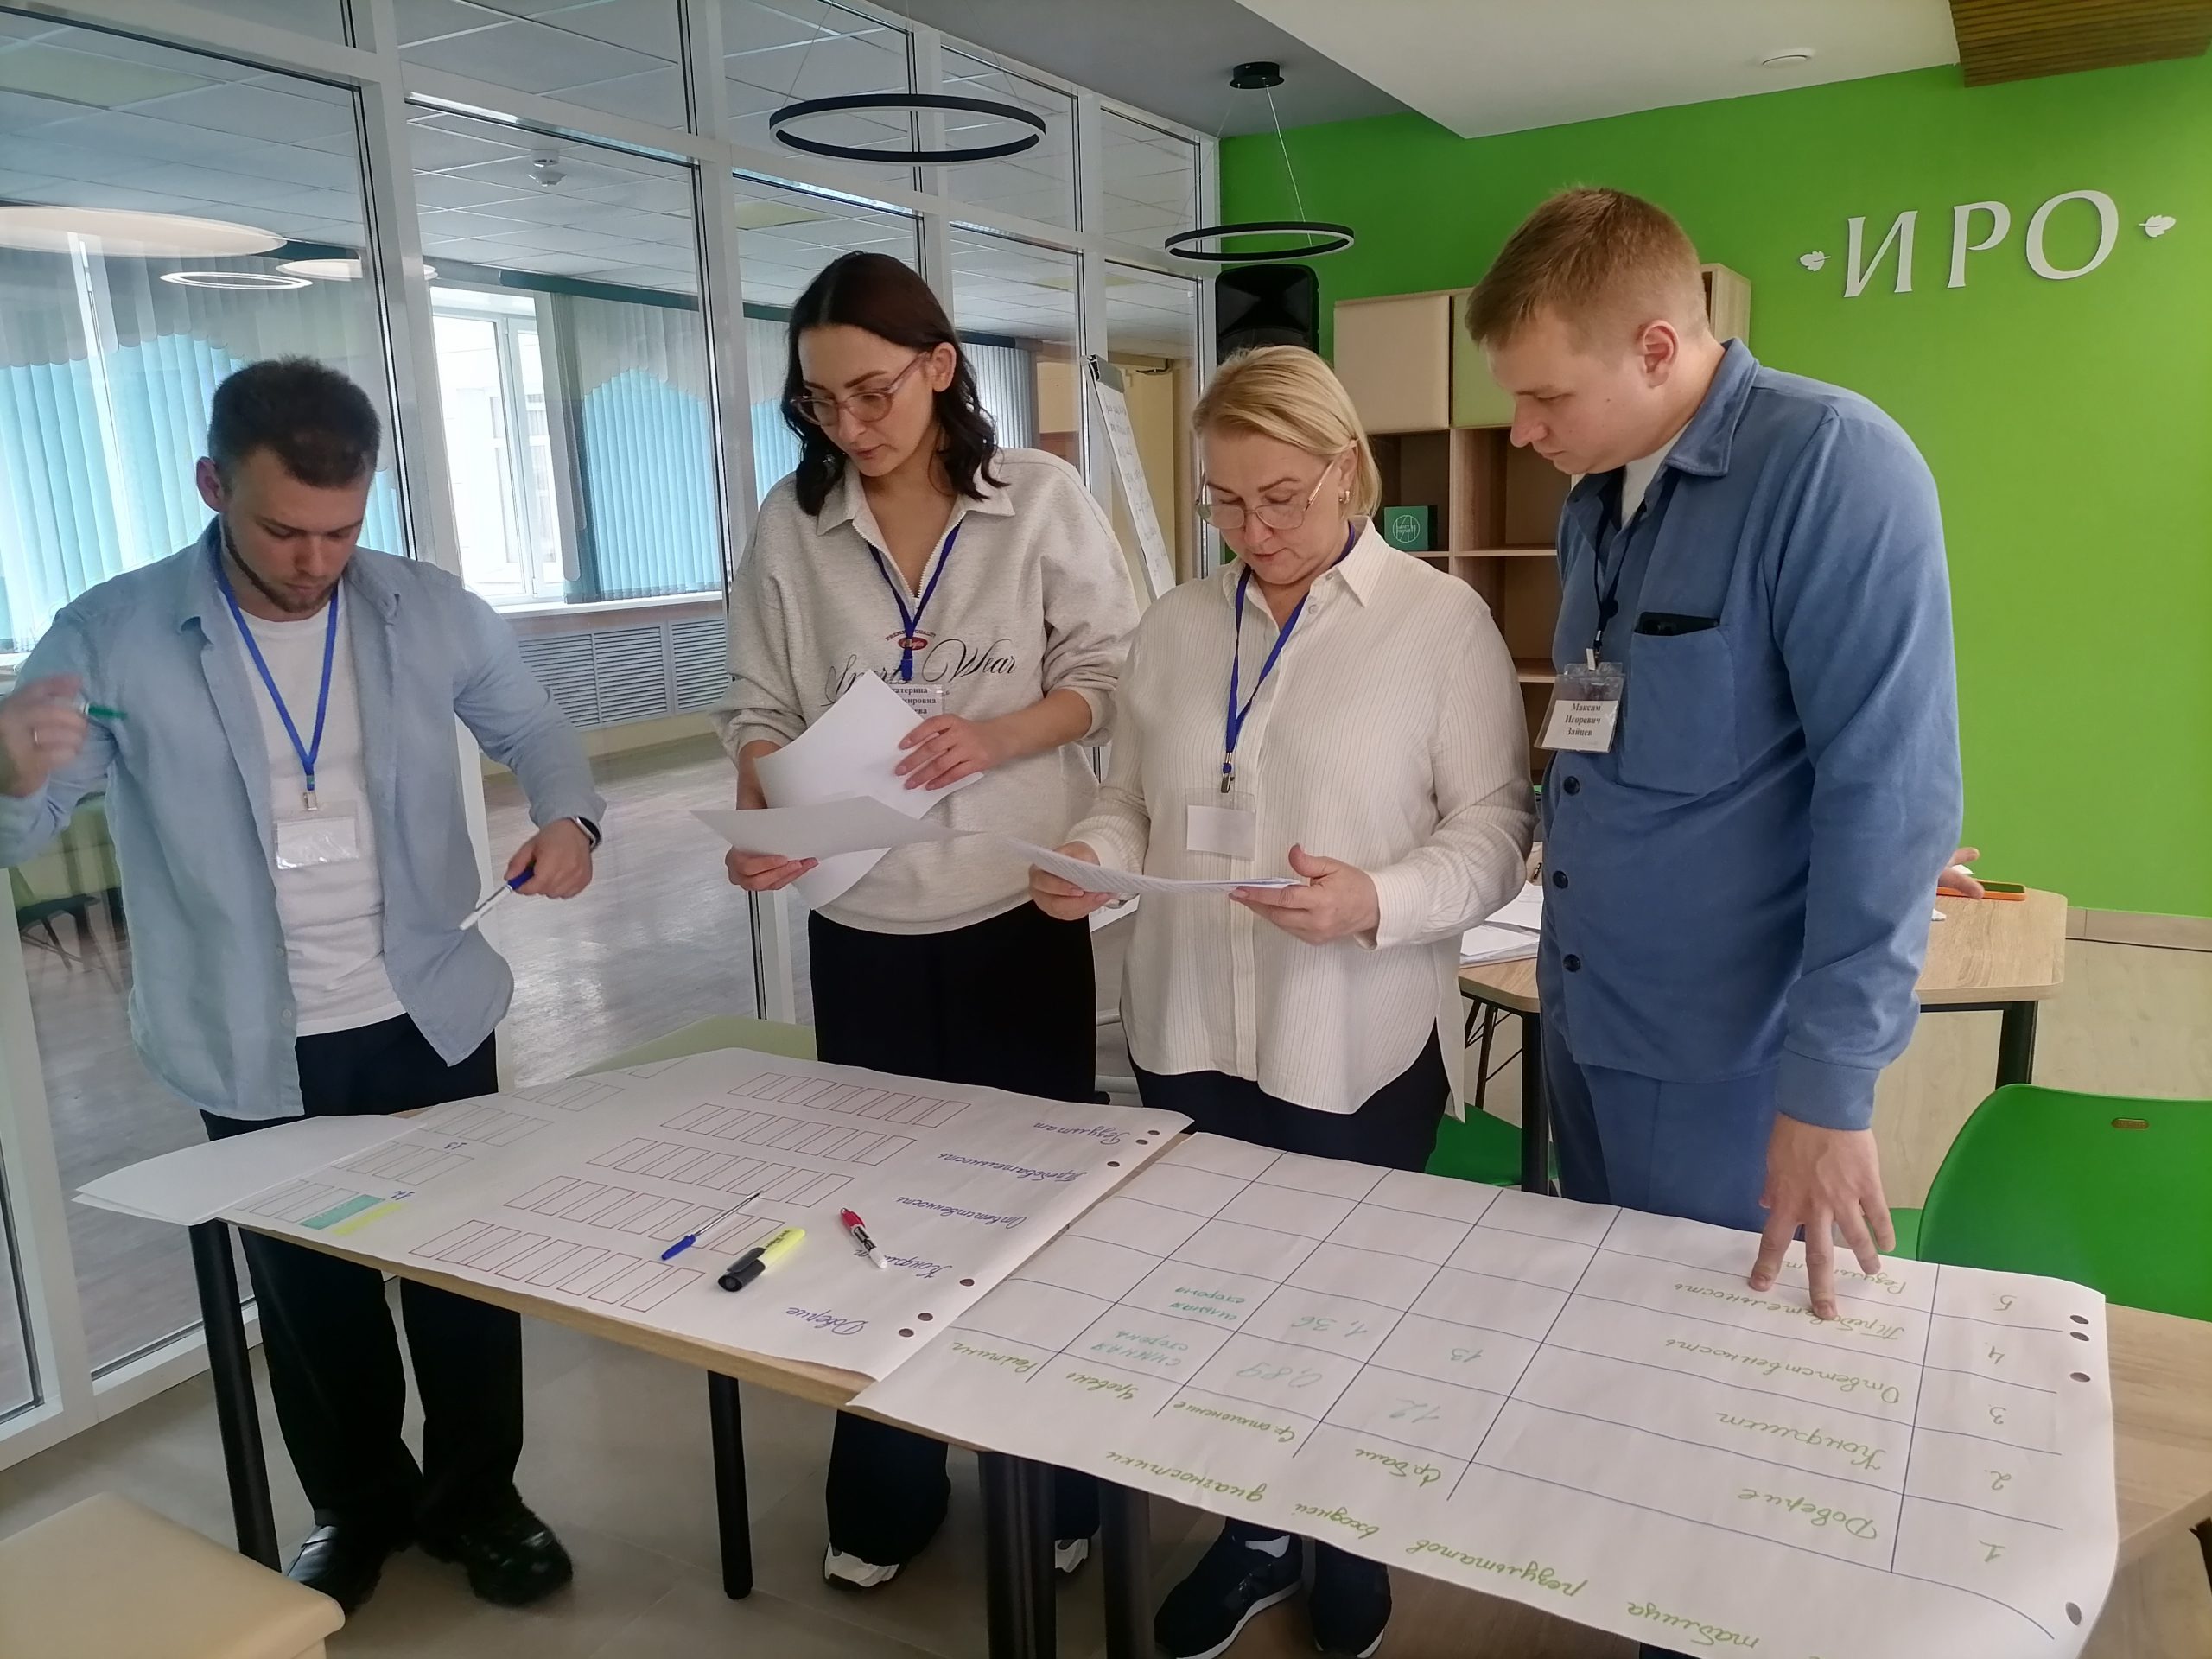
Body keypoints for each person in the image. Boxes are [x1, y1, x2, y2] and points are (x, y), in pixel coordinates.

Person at [0, 359, 603, 1614]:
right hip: (250, 1034)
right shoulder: (109, 632)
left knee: (463, 1275)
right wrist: (11, 771)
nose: (317, 560)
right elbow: (27, 823)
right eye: (284, 530)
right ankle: (359, 1509)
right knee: (311, 1296)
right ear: (212, 485)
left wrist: (572, 819)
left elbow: (537, 729)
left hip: (428, 1008)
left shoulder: (427, 607)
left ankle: (480, 1501)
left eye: (342, 530)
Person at [1469, 188, 1961, 1658]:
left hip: (1730, 1057)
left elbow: (1891, 794)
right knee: (1626, 1377)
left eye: (1546, 396)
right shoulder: (1595, 489)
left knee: (1727, 1404)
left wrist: (1832, 1088)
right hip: (1589, 1013)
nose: (1523, 432)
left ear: (1658, 346)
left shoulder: (1835, 468)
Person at [1033, 345, 1535, 1659]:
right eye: (1224, 502)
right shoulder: (1175, 628)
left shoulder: (1439, 624)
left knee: (1350, 1308)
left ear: (1348, 471)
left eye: (1282, 499)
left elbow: (1495, 830)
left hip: (1352, 1040)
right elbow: (1131, 798)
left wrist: (1378, 897)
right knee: (1223, 1299)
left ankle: (1347, 1529)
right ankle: (1254, 1533)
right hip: (1190, 1029)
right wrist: (1091, 852)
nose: (1253, 532)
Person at [716, 251, 1136, 1589]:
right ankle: (888, 1495)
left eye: (875, 391)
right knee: (876, 1220)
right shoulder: (796, 525)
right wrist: (766, 807)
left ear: (941, 367)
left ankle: (1052, 1480)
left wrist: (996, 734)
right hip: (864, 923)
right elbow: (757, 704)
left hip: (1016, 911)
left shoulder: (1040, 501)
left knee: (1029, 1213)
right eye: (822, 400)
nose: (851, 423)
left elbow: (1111, 673)